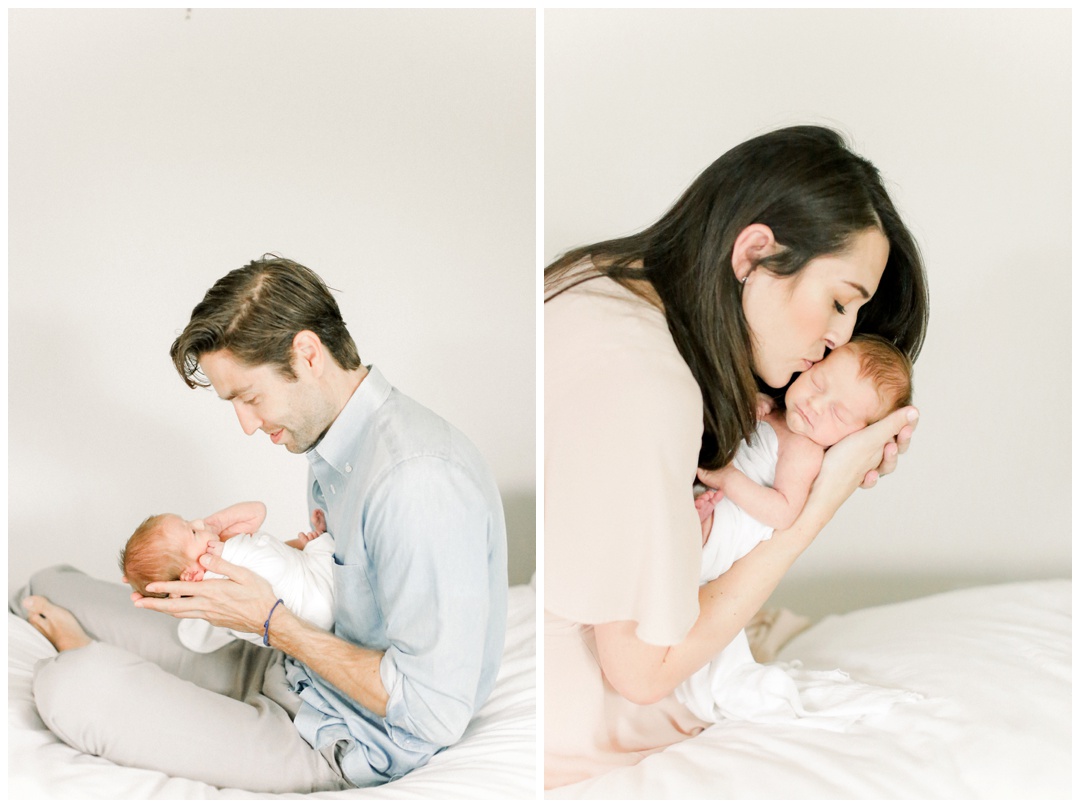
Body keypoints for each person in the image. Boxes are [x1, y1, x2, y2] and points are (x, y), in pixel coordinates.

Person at [15, 255, 509, 792]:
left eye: (249, 398)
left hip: (335, 733)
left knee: (71, 686)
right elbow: (337, 593)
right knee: (48, 584)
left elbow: (432, 711)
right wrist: (265, 559)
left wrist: (269, 622)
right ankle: (105, 649)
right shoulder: (338, 447)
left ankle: (91, 653)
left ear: (307, 354)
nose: (247, 425)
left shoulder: (417, 484)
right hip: (289, 666)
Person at [544, 125, 928, 789]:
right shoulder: (645, 382)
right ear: (754, 252)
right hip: (586, 734)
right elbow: (641, 674)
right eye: (839, 302)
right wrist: (814, 506)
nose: (839, 338)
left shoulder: (595, 280)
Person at [676, 334, 915, 722]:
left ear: (854, 437)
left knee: (679, 540)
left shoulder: (804, 451)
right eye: (818, 383)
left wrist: (730, 480)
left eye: (838, 414)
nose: (815, 405)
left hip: (734, 521)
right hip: (714, 500)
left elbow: (784, 512)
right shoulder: (778, 412)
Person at [119, 502, 336, 652]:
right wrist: (214, 527)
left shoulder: (215, 596)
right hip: (319, 598)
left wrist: (206, 532)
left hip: (310, 616)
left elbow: (275, 557)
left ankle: (315, 546)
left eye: (189, 521)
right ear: (191, 573)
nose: (198, 522)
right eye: (192, 532)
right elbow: (257, 510)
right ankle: (318, 543)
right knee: (323, 547)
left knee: (304, 556)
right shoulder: (227, 559)